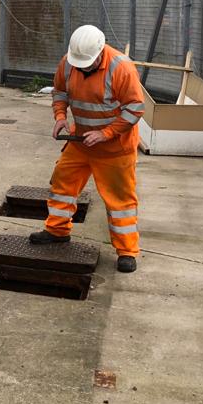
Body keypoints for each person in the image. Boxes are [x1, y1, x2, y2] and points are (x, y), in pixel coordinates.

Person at [30, 25, 145, 273]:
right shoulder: (69, 63)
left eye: (87, 64)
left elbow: (135, 108)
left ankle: (126, 251)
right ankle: (57, 230)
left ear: (100, 52)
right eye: (78, 63)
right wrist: (60, 116)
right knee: (62, 183)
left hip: (115, 148)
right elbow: (60, 91)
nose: (82, 67)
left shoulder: (121, 68)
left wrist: (106, 134)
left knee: (120, 200)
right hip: (80, 141)